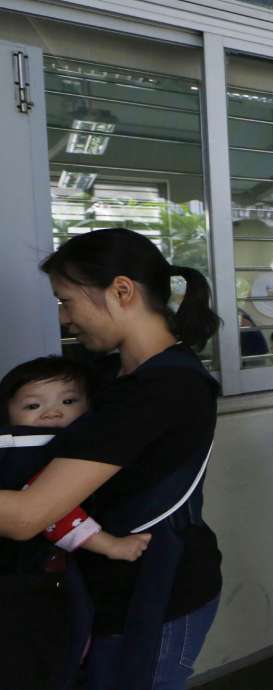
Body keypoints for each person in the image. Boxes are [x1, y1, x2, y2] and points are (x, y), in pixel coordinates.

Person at [0, 227, 223, 690]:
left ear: (122, 291)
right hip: (100, 593)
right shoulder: (105, 375)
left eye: (66, 301)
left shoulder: (164, 388)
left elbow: (26, 516)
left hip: (153, 597)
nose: (63, 318)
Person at [1, 357, 152, 561]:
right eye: (33, 405)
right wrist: (109, 545)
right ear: (6, 413)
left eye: (68, 401)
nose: (52, 413)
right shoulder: (28, 450)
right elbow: (50, 512)